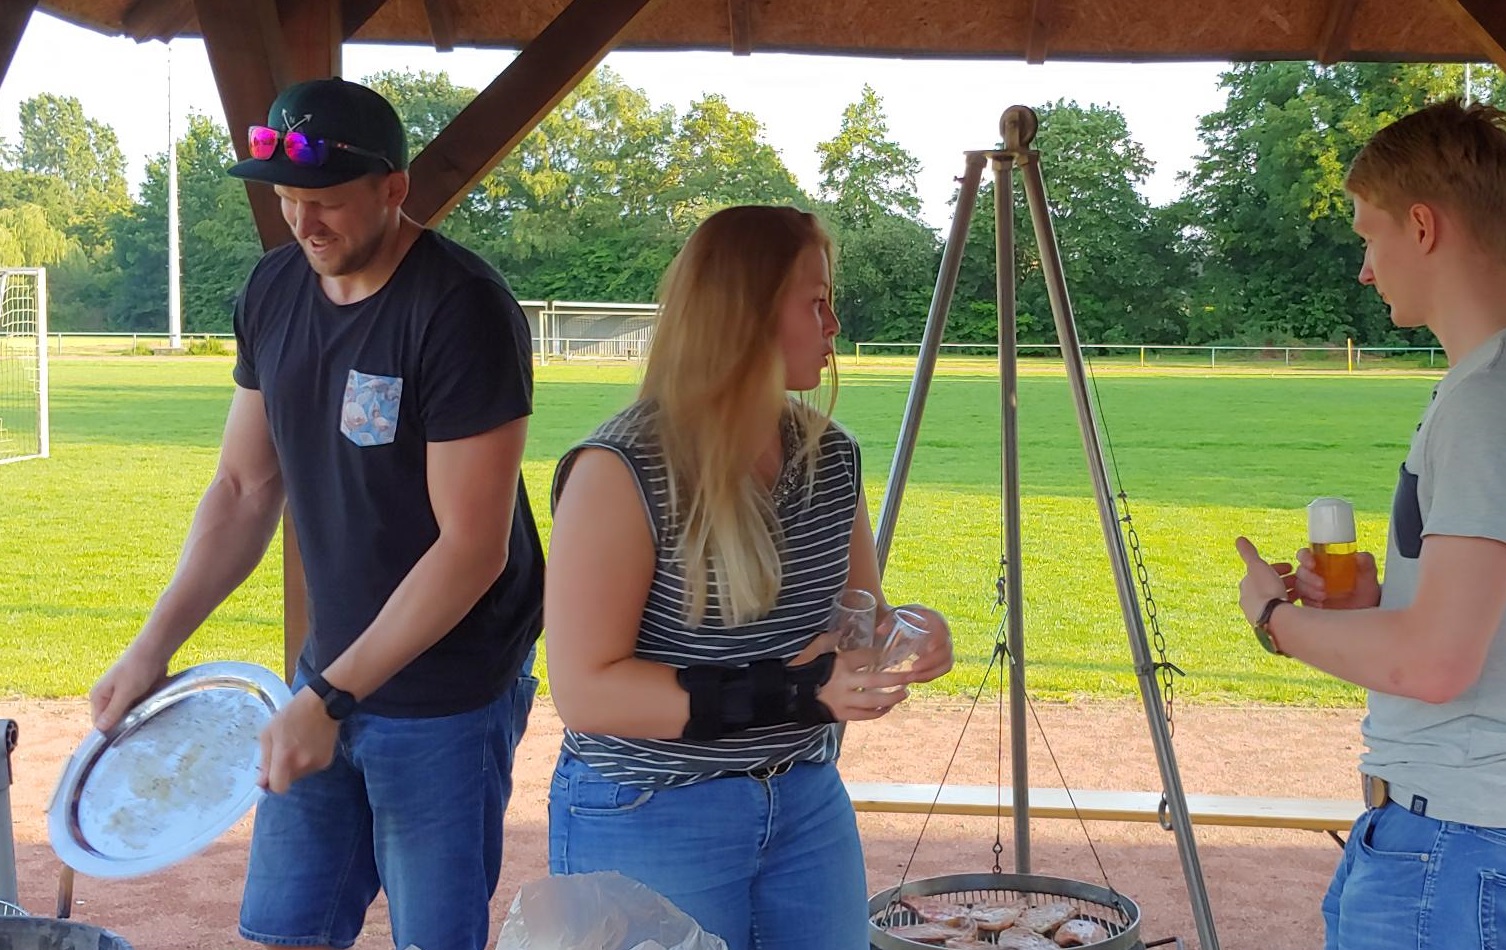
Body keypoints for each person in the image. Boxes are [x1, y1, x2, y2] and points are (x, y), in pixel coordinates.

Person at [87, 78, 544, 950]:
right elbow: (242, 488)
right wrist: (152, 646)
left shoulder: (461, 310)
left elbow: (472, 549)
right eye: (288, 199)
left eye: (327, 200)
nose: (304, 222)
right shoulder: (273, 290)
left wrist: (329, 697)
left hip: (449, 693)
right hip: (327, 673)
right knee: (284, 932)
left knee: (434, 938)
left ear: (393, 189)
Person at [1232, 101, 1506, 949]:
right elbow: (1473, 624)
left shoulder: (1494, 399)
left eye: (1370, 235)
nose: (1366, 269)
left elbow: (1437, 662)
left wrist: (1274, 621)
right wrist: (1375, 605)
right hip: (1462, 837)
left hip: (1456, 841)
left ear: (1424, 227)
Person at [543, 204, 954, 949]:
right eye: (816, 302)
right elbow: (586, 690)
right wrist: (796, 692)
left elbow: (859, 619)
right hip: (651, 806)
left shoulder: (831, 455)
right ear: (746, 314)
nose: (833, 326)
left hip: (803, 797)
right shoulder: (620, 469)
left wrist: (910, 633)